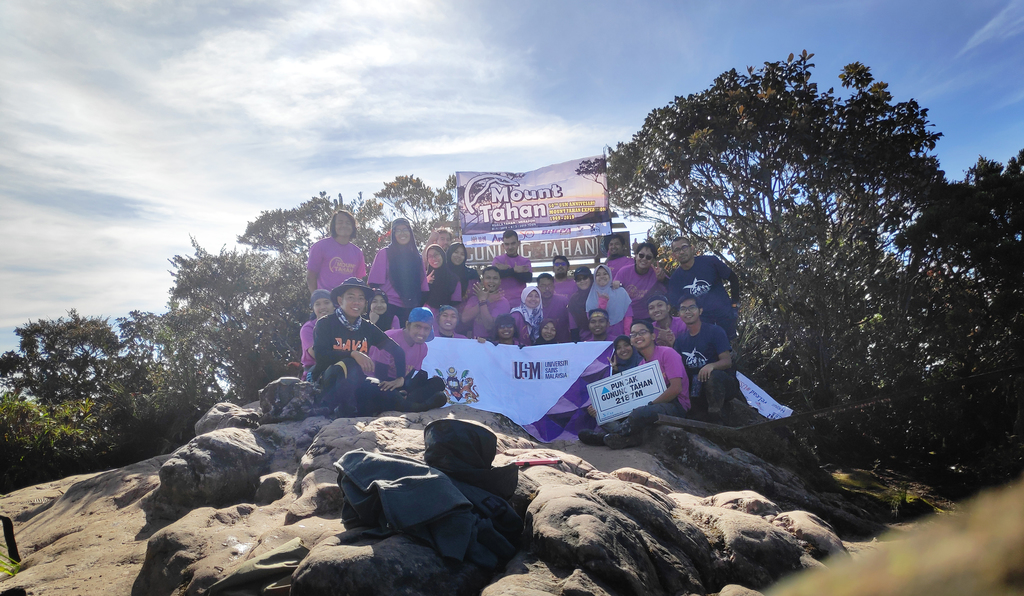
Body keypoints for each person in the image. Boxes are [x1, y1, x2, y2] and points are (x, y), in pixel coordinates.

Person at [311, 278, 435, 417]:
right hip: (327, 382)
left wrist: (400, 378)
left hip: (356, 384)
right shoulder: (326, 323)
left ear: (365, 303)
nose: (356, 302)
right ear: (340, 301)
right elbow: (321, 357)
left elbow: (397, 350)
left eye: (361, 298)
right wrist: (353, 353)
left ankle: (415, 406)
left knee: (384, 390)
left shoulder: (367, 327)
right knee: (349, 364)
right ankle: (337, 410)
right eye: (351, 297)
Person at [579, 320, 687, 449]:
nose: (638, 336)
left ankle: (607, 437)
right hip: (648, 408)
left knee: (639, 413)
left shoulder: (667, 353)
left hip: (676, 405)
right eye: (634, 334)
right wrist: (600, 407)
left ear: (653, 336)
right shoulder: (642, 365)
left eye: (642, 332)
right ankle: (624, 438)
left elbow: (676, 388)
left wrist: (649, 406)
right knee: (604, 416)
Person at [673, 296, 742, 423]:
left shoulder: (715, 331)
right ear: (679, 314)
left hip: (722, 382)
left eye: (691, 307)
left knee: (712, 376)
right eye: (683, 309)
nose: (687, 312)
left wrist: (711, 366)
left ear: (700, 310)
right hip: (696, 385)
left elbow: (727, 361)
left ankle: (716, 414)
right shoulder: (680, 340)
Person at [666, 236, 740, 340]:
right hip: (701, 325)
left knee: (733, 350)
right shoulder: (675, 279)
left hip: (725, 317)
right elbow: (677, 305)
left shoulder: (710, 262)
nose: (681, 252)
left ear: (692, 248)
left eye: (684, 247)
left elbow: (733, 278)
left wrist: (735, 304)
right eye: (677, 250)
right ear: (673, 255)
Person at [368, 219, 429, 327]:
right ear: (393, 234)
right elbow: (374, 284)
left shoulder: (417, 257)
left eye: (405, 229)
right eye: (398, 230)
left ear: (410, 232)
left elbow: (423, 287)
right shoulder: (385, 253)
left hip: (410, 309)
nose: (402, 233)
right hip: (387, 307)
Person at [306, 210, 367, 292]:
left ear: (353, 227)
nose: (344, 225)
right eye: (340, 222)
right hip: (326, 300)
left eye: (348, 223)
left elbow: (359, 279)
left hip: (347, 302)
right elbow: (311, 276)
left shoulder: (357, 252)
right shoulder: (320, 246)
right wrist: (316, 297)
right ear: (334, 226)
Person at [614, 242, 666, 320]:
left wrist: (663, 280)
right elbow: (613, 293)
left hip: (648, 318)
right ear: (635, 256)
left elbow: (671, 290)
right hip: (626, 317)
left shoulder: (657, 273)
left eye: (648, 257)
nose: (644, 259)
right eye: (641, 255)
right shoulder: (624, 272)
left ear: (653, 260)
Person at [583, 264, 633, 340]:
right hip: (600, 338)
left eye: (605, 274)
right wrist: (602, 303)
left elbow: (628, 316)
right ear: (594, 278)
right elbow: (593, 320)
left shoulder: (620, 292)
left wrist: (627, 336)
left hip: (620, 335)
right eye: (598, 275)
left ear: (610, 276)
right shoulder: (592, 295)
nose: (602, 276)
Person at [461, 266, 511, 339]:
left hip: (494, 344)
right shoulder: (474, 299)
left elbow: (489, 326)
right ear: (482, 280)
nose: (491, 281)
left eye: (495, 278)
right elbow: (464, 319)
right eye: (488, 278)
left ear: (500, 281)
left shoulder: (503, 301)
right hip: (476, 343)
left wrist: (483, 302)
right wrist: (487, 301)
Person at [491, 230, 532, 307]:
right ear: (503, 245)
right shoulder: (497, 260)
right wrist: (515, 271)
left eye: (513, 243)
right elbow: (494, 276)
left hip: (520, 302)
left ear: (518, 243)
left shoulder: (525, 261)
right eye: (507, 244)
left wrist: (507, 271)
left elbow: (528, 278)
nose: (510, 247)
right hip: (500, 302)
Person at [300, 289, 334, 377]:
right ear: (313, 308)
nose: (322, 307)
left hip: (341, 368)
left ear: (334, 305)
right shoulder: (308, 328)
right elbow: (318, 355)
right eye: (317, 304)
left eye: (326, 302)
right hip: (315, 372)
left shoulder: (342, 325)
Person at [423, 243, 462, 311]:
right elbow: (419, 302)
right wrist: (426, 284)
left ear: (442, 256)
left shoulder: (453, 279)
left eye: (436, 255)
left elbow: (456, 305)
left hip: (446, 317)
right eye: (430, 256)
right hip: (426, 318)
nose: (433, 258)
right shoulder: (424, 279)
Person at [535, 274, 571, 343]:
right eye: (543, 286)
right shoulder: (533, 303)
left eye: (550, 286)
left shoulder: (563, 301)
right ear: (537, 288)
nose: (547, 289)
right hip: (539, 345)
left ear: (554, 287)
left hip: (562, 344)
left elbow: (571, 324)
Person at [567, 266, 593, 342]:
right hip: (583, 339)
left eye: (585, 278)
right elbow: (573, 324)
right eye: (578, 279)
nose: (582, 281)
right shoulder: (574, 299)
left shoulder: (598, 294)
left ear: (590, 278)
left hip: (603, 338)